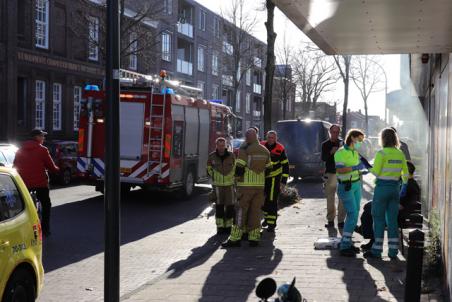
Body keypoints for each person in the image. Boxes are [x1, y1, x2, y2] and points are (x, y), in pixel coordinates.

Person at [222, 128, 271, 248]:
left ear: (248, 138)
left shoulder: (245, 150)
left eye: (246, 136)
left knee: (240, 211)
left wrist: (235, 180)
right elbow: (269, 169)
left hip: (245, 186)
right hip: (259, 186)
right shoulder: (265, 150)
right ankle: (254, 238)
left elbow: (239, 168)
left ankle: (235, 238)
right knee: (255, 212)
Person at [364, 128, 409, 259]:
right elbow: (405, 173)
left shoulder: (381, 154)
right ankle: (393, 252)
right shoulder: (400, 153)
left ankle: (376, 251)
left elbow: (376, 172)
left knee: (378, 219)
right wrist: (404, 185)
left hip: (382, 189)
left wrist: (367, 166)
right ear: (395, 138)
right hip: (395, 190)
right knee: (392, 221)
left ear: (382, 139)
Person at [357, 162, 420, 251]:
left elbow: (413, 202)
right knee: (369, 209)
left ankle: (364, 232)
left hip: (399, 215)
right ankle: (367, 235)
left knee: (371, 213)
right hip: (391, 209)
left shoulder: (412, 184)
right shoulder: (404, 181)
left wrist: (401, 206)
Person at [14, 129, 60, 237]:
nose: (44, 138)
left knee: (24, 206)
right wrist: (57, 170)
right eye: (42, 136)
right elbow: (51, 166)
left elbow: (15, 165)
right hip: (40, 184)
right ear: (37, 137)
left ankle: (25, 229)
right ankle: (45, 229)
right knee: (46, 205)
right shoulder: (42, 150)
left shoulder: (20, 149)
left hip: (24, 184)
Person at [334, 129, 367, 257]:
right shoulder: (341, 152)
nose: (361, 142)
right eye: (359, 139)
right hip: (346, 186)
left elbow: (360, 165)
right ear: (352, 138)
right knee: (352, 214)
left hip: (356, 184)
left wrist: (362, 170)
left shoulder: (355, 152)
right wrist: (354, 168)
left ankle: (348, 242)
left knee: (354, 213)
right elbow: (340, 170)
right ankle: (344, 246)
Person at [261, 130, 289, 232]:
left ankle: (272, 225)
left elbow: (285, 165)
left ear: (276, 138)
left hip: (274, 178)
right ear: (266, 137)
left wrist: (283, 182)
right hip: (262, 178)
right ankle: (267, 218)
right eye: (269, 137)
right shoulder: (261, 145)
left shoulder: (280, 148)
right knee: (262, 200)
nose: (270, 139)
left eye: (272, 137)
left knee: (272, 200)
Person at [207, 137, 236, 235]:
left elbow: (235, 167)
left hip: (230, 186)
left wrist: (231, 176)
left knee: (230, 206)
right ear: (216, 145)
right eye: (219, 145)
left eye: (223, 145)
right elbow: (208, 168)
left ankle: (228, 227)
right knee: (219, 206)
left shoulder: (231, 155)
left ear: (226, 145)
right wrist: (215, 175)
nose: (221, 147)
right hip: (218, 186)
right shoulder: (212, 156)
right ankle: (220, 227)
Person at [321, 124, 345, 228]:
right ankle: (330, 220)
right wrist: (331, 152)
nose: (335, 134)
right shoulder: (325, 144)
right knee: (330, 198)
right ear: (330, 132)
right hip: (330, 174)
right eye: (333, 132)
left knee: (342, 198)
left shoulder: (343, 143)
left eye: (337, 132)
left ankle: (341, 221)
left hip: (341, 174)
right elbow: (323, 158)